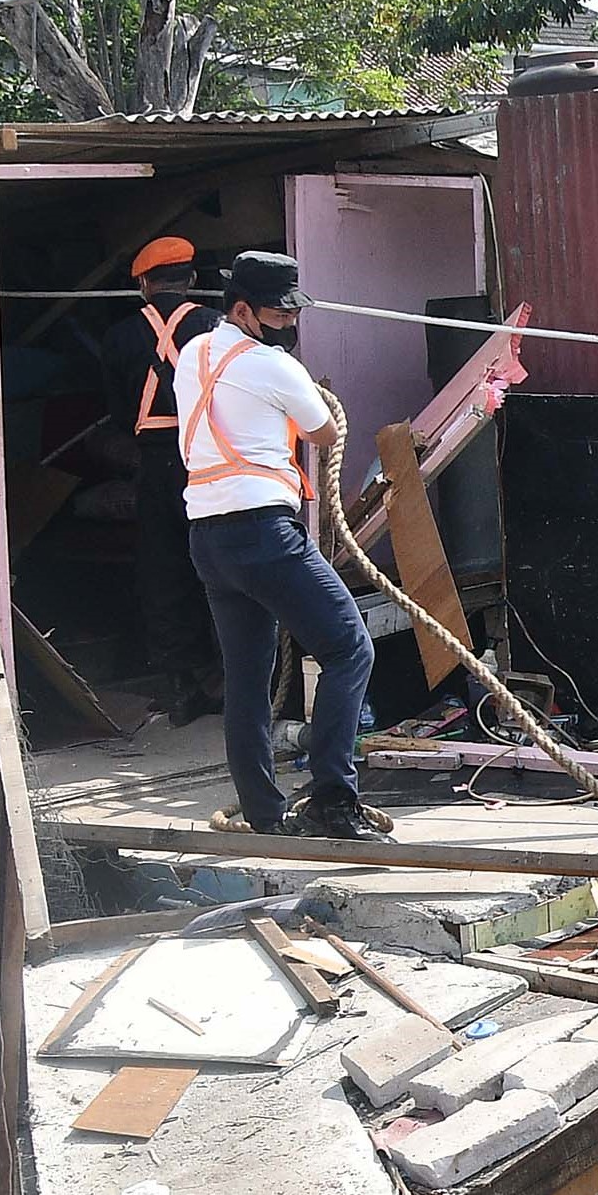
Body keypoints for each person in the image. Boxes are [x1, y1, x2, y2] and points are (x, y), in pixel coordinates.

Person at [174, 250, 390, 841]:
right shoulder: (273, 368)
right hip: (264, 533)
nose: (290, 326)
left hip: (208, 538)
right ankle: (333, 802)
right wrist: (301, 394)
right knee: (350, 649)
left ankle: (265, 815)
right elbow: (323, 430)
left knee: (247, 676)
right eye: (280, 315)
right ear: (242, 309)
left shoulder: (192, 354)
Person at [97, 236, 221, 720]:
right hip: (207, 461)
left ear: (144, 284)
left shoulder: (119, 337)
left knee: (163, 571)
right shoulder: (215, 328)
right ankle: (229, 676)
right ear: (191, 278)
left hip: (153, 463)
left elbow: (116, 413)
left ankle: (183, 685)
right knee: (217, 566)